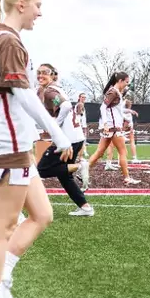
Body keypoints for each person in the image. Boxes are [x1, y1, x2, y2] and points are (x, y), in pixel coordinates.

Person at [0, 0, 72, 298]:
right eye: (38, 5)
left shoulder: (0, 40)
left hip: (15, 145)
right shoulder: (8, 41)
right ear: (21, 5)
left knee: (42, 215)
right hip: (6, 146)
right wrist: (57, 133)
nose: (41, 13)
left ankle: (1, 281)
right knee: (3, 227)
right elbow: (24, 96)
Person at [36, 64, 93, 217]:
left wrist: (55, 125)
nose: (40, 75)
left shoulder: (49, 91)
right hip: (75, 138)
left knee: (41, 169)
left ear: (52, 74)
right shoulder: (55, 88)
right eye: (38, 73)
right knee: (65, 175)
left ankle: (80, 166)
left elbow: (66, 106)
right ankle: (85, 207)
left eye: (44, 73)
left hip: (67, 140)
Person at [86, 73, 137, 184]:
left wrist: (127, 114)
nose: (127, 84)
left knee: (99, 152)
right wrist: (105, 123)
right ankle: (127, 178)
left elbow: (116, 110)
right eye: (126, 82)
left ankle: (83, 173)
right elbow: (102, 107)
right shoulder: (113, 91)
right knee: (123, 152)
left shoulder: (116, 92)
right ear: (120, 80)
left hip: (111, 127)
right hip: (113, 128)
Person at [123, 92, 141, 165]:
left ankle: (134, 157)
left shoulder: (125, 112)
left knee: (131, 141)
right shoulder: (126, 112)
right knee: (131, 142)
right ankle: (134, 157)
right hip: (124, 128)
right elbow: (128, 121)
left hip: (125, 128)